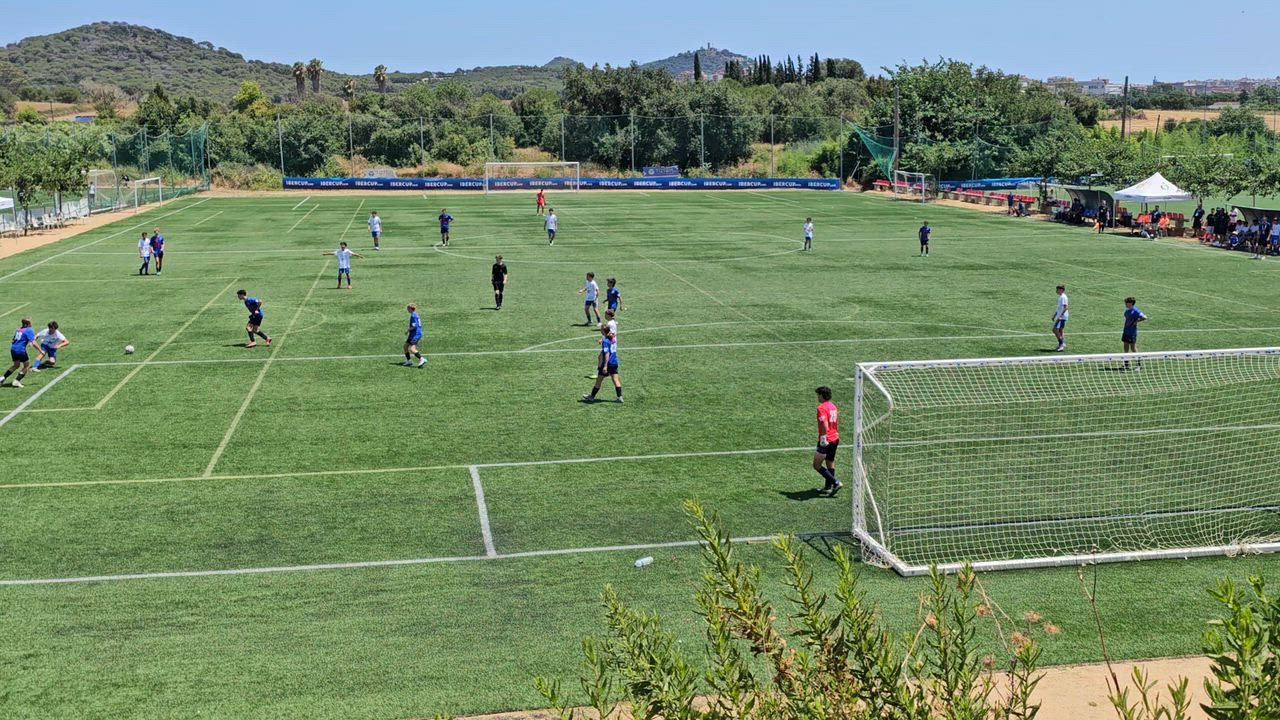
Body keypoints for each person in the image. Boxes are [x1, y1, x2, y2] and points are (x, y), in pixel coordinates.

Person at [813, 386, 841, 496]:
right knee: (830, 462)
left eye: (818, 395)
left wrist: (823, 438)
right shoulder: (833, 406)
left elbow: (824, 424)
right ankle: (828, 488)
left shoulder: (821, 408)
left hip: (826, 440)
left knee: (816, 465)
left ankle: (835, 482)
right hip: (835, 438)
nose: (817, 397)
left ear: (822, 395)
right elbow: (836, 422)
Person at [582, 325, 622, 403]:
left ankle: (591, 397)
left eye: (601, 329)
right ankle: (620, 397)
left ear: (603, 332)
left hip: (608, 363)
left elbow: (606, 354)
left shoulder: (606, 341)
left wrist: (605, 366)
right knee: (616, 380)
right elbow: (613, 335)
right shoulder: (613, 338)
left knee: (599, 380)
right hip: (614, 362)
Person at [3, 317, 37, 388]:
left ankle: (2, 378)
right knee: (27, 365)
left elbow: (13, 340)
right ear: (28, 323)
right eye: (30, 321)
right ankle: (17, 381)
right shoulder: (29, 330)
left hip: (13, 349)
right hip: (20, 350)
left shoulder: (18, 329)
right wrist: (40, 350)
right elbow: (34, 342)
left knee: (16, 365)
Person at [1122, 297, 1147, 370]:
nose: (1125, 304)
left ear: (1130, 303)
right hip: (1126, 331)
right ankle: (1126, 364)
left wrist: (1136, 321)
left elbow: (1145, 317)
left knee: (1133, 349)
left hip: (1132, 332)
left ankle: (1139, 365)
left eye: (1126, 302)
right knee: (1126, 348)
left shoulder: (1135, 310)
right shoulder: (1127, 310)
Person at [403, 303, 427, 368]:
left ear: (410, 308)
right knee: (405, 346)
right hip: (412, 334)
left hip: (416, 334)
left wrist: (408, 330)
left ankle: (421, 359)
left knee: (412, 349)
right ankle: (409, 361)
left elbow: (414, 326)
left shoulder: (413, 316)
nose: (407, 309)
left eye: (408, 308)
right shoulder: (415, 314)